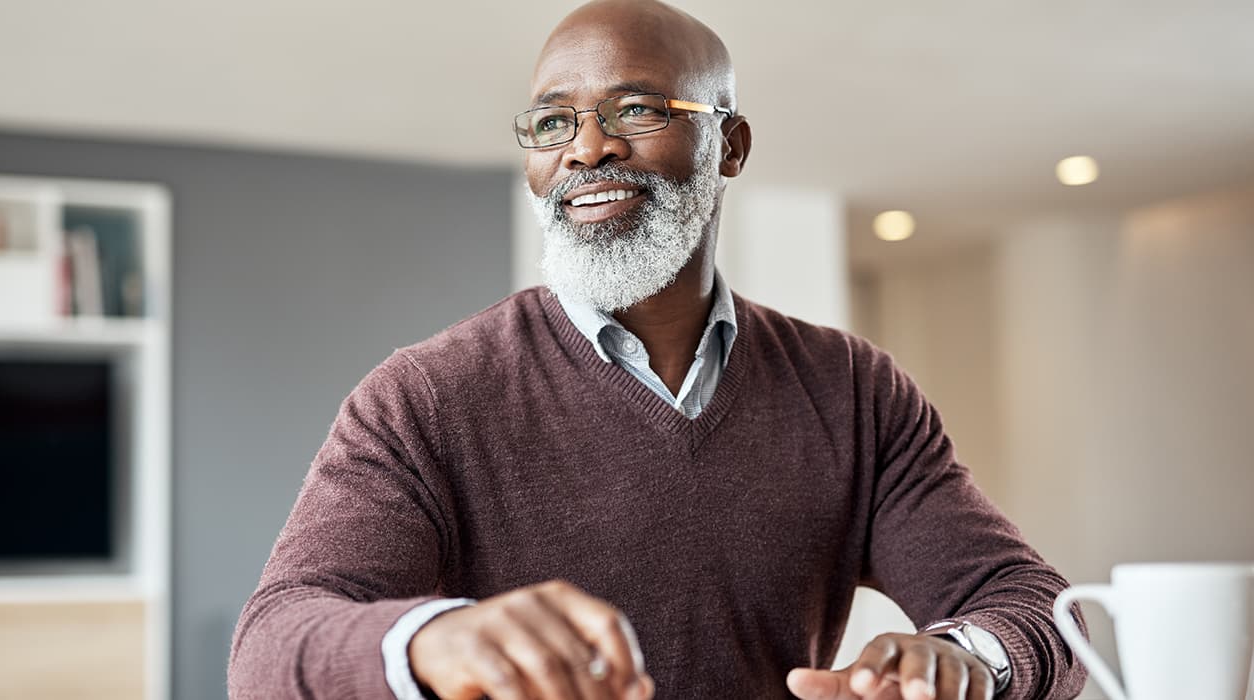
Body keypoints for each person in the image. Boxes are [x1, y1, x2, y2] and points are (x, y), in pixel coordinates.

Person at [228, 1, 1088, 698]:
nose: (587, 149)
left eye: (635, 110)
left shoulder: (853, 390)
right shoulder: (424, 396)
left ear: (731, 146)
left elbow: (1041, 609)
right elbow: (269, 649)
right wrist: (431, 639)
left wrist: (970, 660)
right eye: (552, 121)